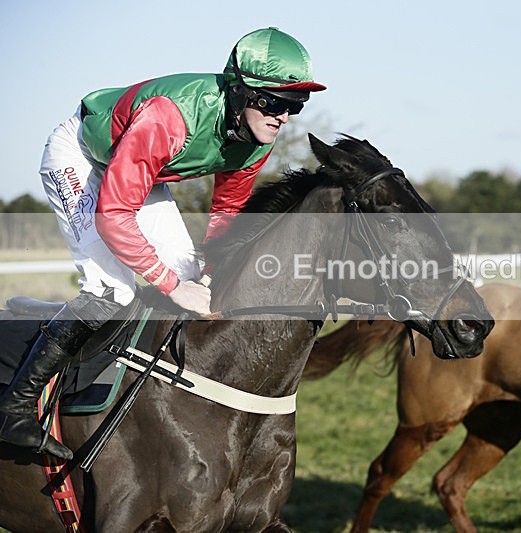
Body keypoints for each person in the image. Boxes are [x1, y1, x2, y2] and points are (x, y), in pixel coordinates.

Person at [0, 28, 325, 460]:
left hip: (140, 174)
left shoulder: (256, 141)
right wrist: (167, 284)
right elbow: (114, 214)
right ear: (239, 91)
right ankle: (15, 407)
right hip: (81, 155)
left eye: (295, 105)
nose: (284, 116)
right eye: (274, 102)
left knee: (193, 278)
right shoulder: (168, 118)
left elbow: (226, 209)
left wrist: (207, 273)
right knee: (112, 289)